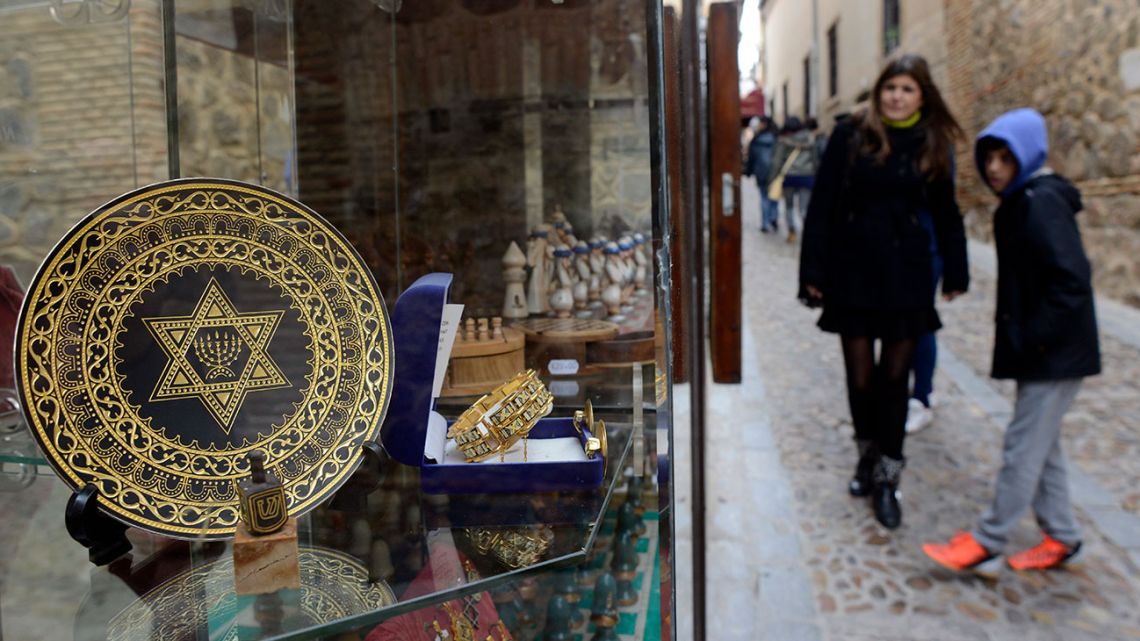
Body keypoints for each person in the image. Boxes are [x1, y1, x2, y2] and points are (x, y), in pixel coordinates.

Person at [922, 108, 1100, 575]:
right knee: (1044, 446)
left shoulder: (1040, 203)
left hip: (1053, 353)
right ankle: (1063, 536)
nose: (995, 169)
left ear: (1026, 155)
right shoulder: (1023, 201)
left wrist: (1036, 339)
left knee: (1023, 445)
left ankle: (988, 541)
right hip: (1043, 350)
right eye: (989, 159)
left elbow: (1072, 280)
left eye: (1005, 158)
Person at [798, 54, 969, 529]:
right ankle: (865, 458)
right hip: (852, 273)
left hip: (907, 276)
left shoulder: (930, 141)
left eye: (907, 89)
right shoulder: (851, 134)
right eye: (890, 87)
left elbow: (946, 211)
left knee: (896, 381)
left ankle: (889, 478)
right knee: (861, 380)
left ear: (922, 95)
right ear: (878, 91)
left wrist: (956, 270)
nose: (897, 96)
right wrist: (813, 268)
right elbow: (823, 205)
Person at [767, 116, 819, 243]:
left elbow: (777, 162)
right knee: (804, 208)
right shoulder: (810, 139)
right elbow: (815, 159)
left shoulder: (784, 141)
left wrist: (772, 178)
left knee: (789, 206)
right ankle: (808, 232)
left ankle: (792, 231)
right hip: (807, 176)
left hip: (789, 176)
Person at [744, 116, 780, 233]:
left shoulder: (756, 140)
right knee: (774, 196)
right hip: (775, 172)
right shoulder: (776, 138)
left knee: (764, 197)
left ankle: (765, 223)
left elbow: (752, 158)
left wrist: (748, 171)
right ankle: (773, 218)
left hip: (761, 172)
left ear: (764, 124)